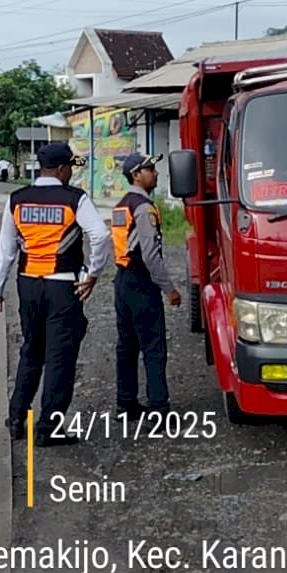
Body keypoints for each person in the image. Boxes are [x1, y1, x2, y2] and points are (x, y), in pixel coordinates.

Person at [0, 141, 109, 447]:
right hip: (62, 286)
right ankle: (48, 427)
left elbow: (6, 250)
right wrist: (92, 273)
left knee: (32, 349)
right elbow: (100, 235)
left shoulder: (17, 199)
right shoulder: (74, 199)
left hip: (27, 284)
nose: (71, 174)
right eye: (70, 168)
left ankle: (17, 417)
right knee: (59, 357)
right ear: (62, 168)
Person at [111, 153, 182, 420]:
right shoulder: (143, 208)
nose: (156, 173)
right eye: (150, 169)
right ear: (135, 175)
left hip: (122, 280)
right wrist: (169, 289)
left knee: (126, 345)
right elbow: (151, 255)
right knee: (153, 347)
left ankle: (126, 402)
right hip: (141, 281)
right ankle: (159, 408)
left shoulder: (121, 205)